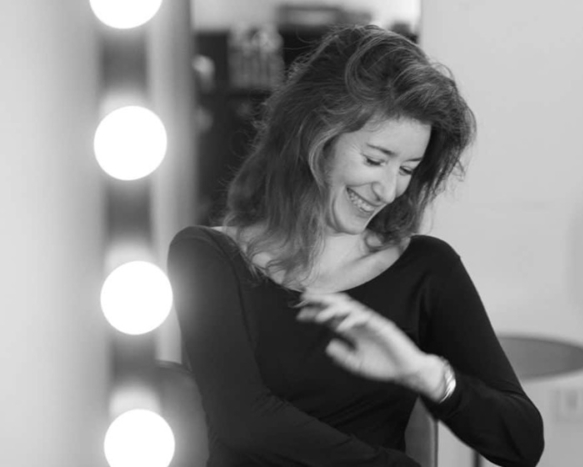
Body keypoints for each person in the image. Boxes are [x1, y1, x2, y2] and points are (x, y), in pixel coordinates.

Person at [167, 25, 544, 467]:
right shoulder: (208, 257)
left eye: (407, 169)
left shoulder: (427, 270)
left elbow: (521, 444)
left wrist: (424, 372)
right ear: (315, 136)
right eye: (374, 159)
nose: (388, 189)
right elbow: (245, 423)